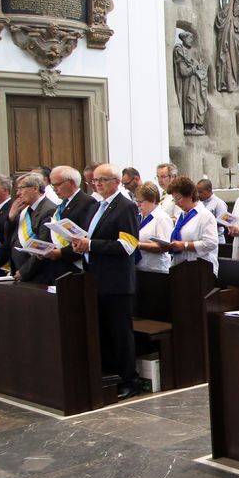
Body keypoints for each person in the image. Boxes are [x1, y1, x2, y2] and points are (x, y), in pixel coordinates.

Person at [71, 165, 142, 400]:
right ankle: (111, 375)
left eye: (102, 180)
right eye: (94, 181)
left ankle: (130, 380)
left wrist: (90, 245)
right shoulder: (97, 206)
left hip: (116, 281)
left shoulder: (126, 206)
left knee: (120, 333)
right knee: (104, 331)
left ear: (116, 182)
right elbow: (93, 237)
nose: (97, 184)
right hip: (96, 277)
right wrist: (81, 242)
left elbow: (127, 245)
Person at [30, 165, 98, 284]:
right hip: (59, 266)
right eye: (52, 185)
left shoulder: (87, 202)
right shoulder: (63, 203)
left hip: (75, 266)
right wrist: (45, 251)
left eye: (57, 185)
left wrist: (61, 253)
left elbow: (86, 237)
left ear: (70, 183)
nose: (54, 189)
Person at [9, 173, 58, 284]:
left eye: (21, 188)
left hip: (38, 274)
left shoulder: (48, 209)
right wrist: (11, 218)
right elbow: (9, 240)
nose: (18, 194)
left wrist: (24, 271)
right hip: (21, 271)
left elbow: (43, 246)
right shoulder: (24, 210)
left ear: (35, 188)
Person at [168, 176, 219, 275]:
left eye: (179, 198)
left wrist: (185, 245)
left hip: (200, 269)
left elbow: (211, 243)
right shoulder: (181, 215)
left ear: (190, 195)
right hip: (180, 266)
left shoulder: (205, 215)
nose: (177, 203)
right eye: (174, 200)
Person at [135, 182, 173, 273]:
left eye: (141, 202)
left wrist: (138, 245)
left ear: (153, 200)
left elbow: (165, 247)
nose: (138, 205)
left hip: (156, 270)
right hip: (139, 267)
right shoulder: (140, 216)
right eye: (137, 201)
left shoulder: (162, 218)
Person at [196, 179, 229, 245]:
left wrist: (209, 221)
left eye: (200, 192)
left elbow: (226, 221)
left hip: (217, 241)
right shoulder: (199, 203)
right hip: (202, 239)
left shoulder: (219, 203)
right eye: (197, 192)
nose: (198, 195)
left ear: (209, 190)